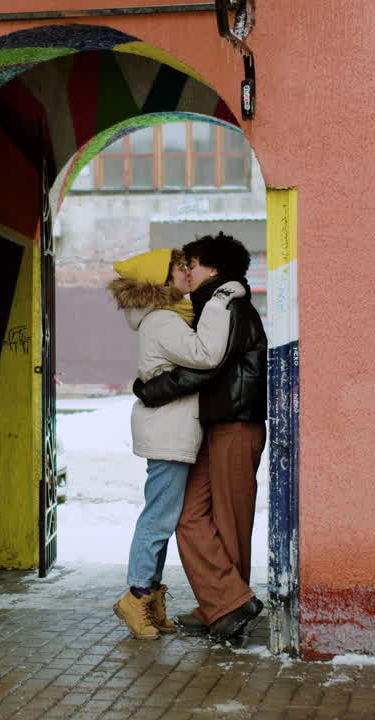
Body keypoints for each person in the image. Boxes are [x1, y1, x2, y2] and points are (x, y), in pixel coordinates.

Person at [133, 232, 268, 643]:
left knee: (230, 518)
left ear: (212, 268)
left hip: (235, 423)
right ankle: (223, 601)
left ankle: (227, 607)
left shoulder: (228, 305)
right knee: (189, 515)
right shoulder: (208, 307)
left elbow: (207, 368)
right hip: (214, 424)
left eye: (191, 264)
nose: (187, 271)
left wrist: (151, 389)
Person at [107, 247, 246, 640]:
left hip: (170, 429)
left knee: (163, 518)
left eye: (187, 265)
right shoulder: (163, 321)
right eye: (179, 267)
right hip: (168, 432)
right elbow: (206, 354)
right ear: (162, 278)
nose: (186, 271)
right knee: (158, 518)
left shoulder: (166, 317)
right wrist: (219, 300)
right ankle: (136, 595)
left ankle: (150, 596)